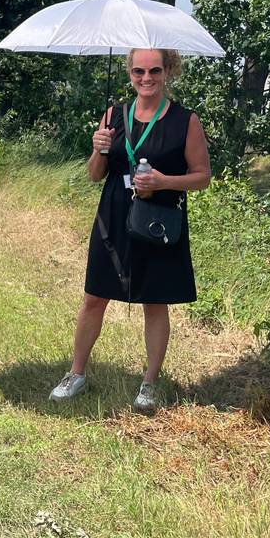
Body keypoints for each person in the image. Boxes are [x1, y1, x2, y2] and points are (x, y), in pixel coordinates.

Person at [48, 48, 211, 414]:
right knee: (94, 297)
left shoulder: (186, 121)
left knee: (155, 302)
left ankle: (150, 383)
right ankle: (76, 373)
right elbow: (94, 175)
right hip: (114, 215)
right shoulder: (114, 115)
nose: (146, 78)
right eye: (138, 71)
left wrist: (164, 181)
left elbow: (202, 177)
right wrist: (98, 149)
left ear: (168, 71)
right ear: (129, 73)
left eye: (154, 70)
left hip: (157, 218)